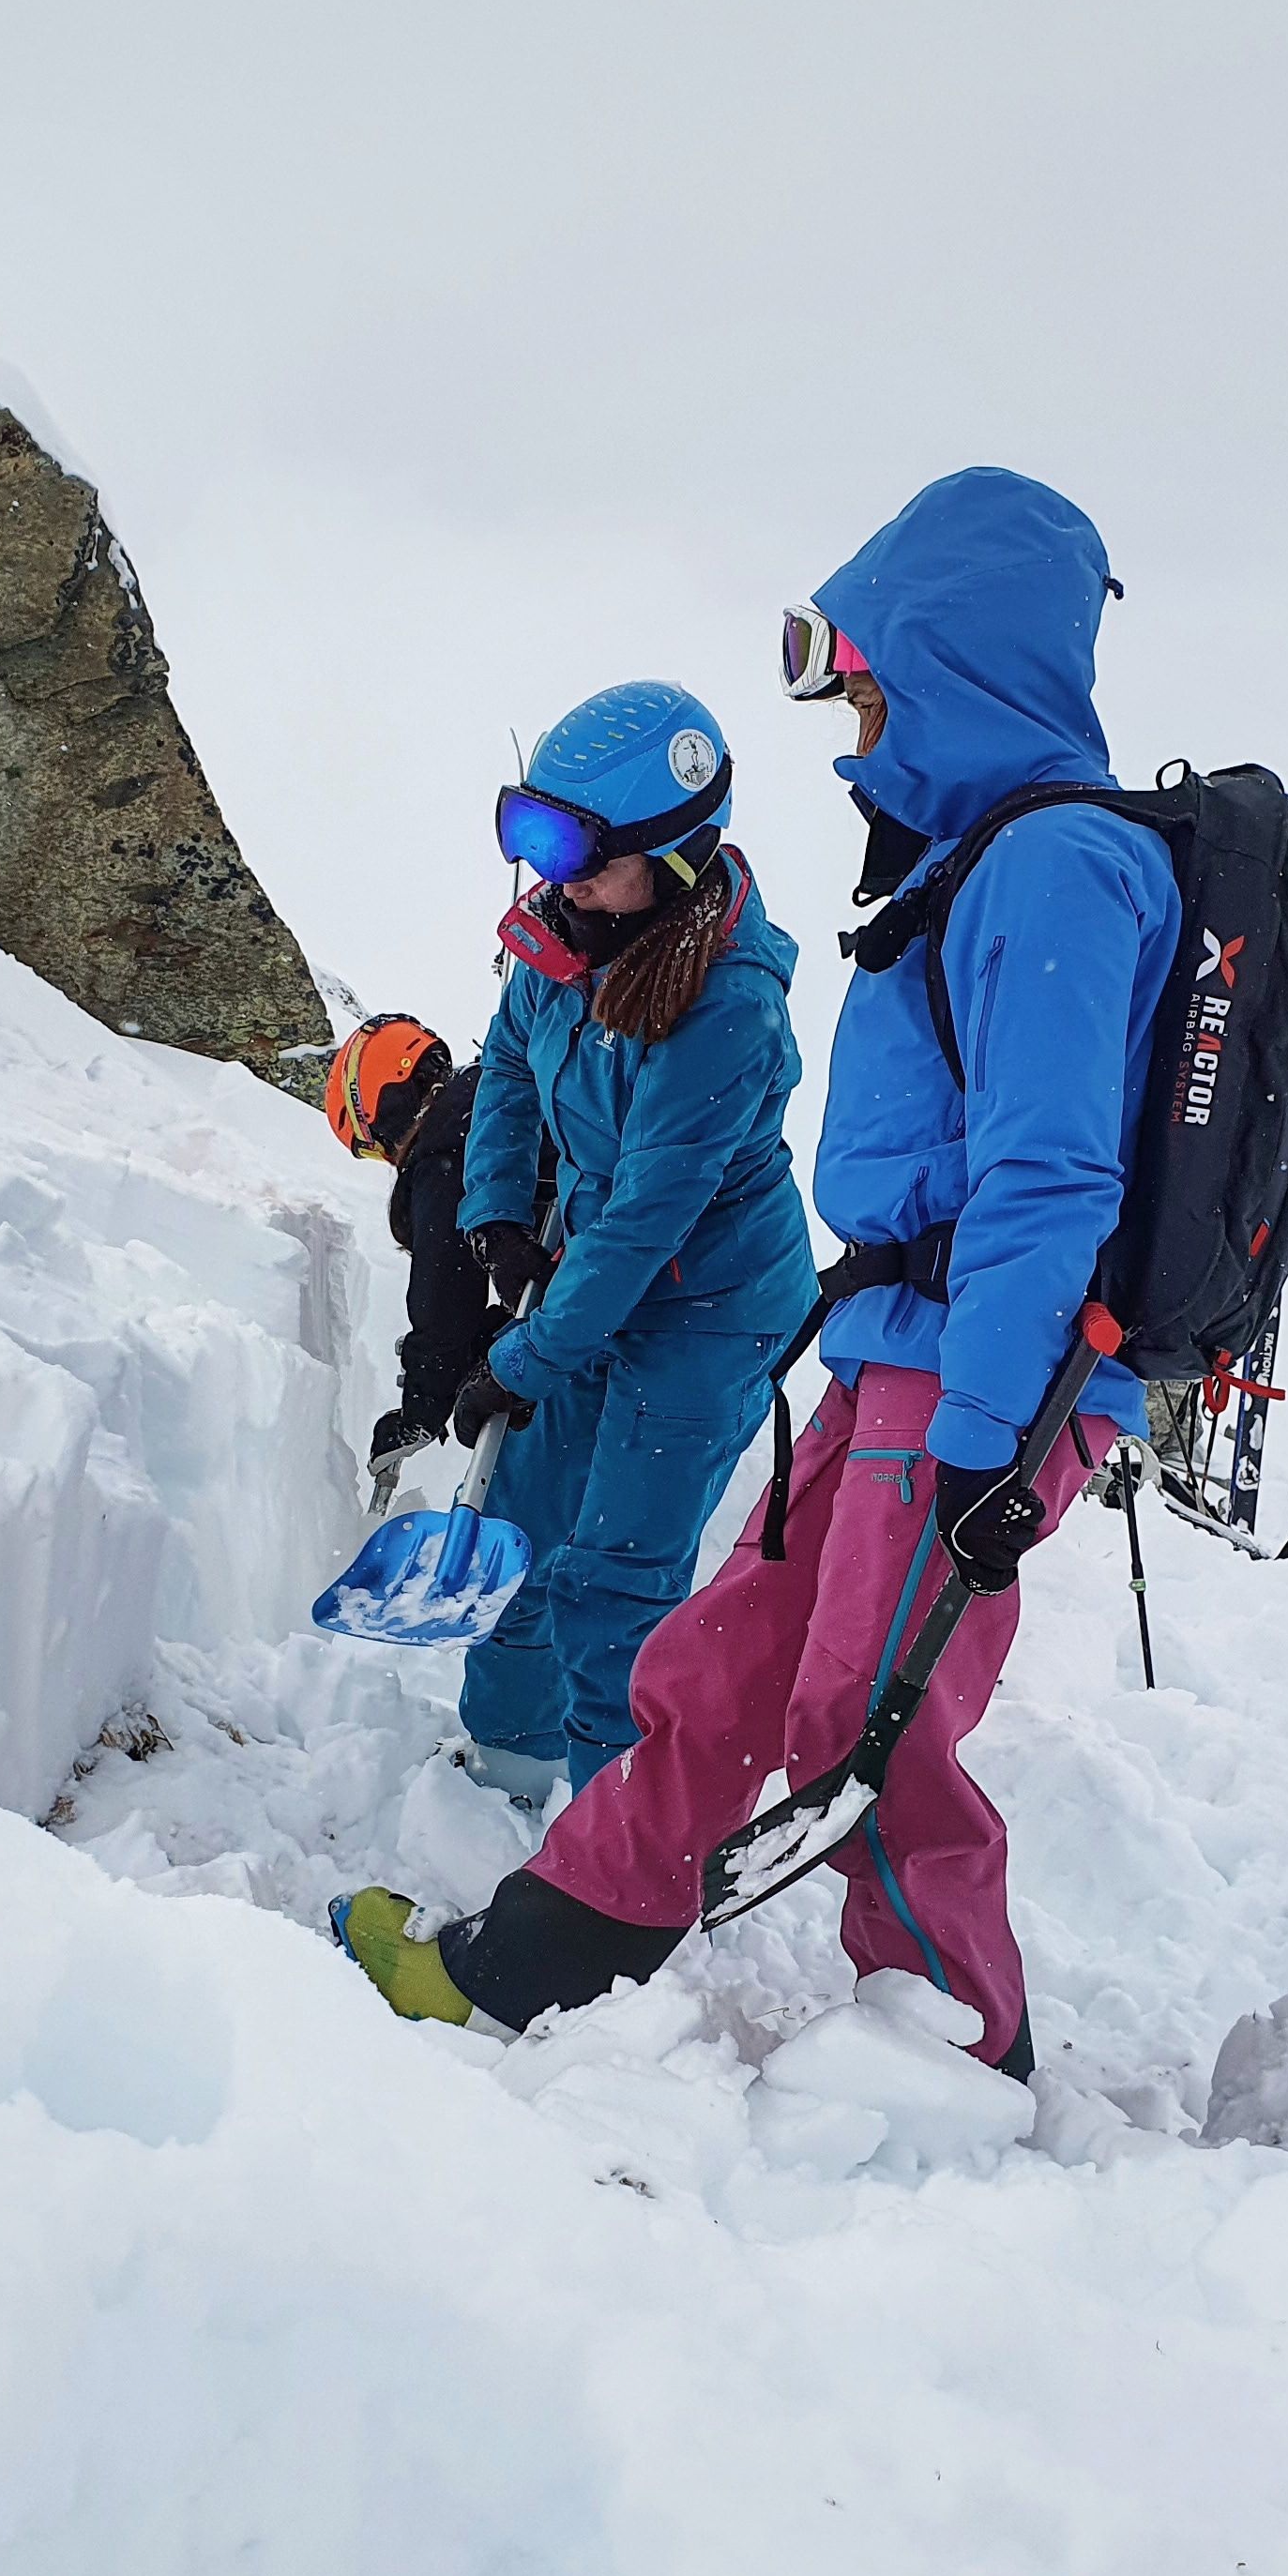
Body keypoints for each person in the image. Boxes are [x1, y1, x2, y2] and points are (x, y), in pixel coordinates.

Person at [334, 472, 1181, 2084]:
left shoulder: (1056, 863)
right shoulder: (972, 857)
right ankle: (541, 1954)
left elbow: (1048, 1175)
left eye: (860, 679)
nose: (848, 718)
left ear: (945, 662)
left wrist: (990, 1429)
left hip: (975, 1371)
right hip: (893, 1346)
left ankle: (949, 2051)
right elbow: (517, 1074)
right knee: (722, 1659)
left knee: (867, 1714)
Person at [393, 680, 816, 1811]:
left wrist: (517, 1364)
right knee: (521, 1534)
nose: (555, 877)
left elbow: (643, 1228)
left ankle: (605, 1831)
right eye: (537, 842)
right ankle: (505, 1767)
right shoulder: (562, 935)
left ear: (674, 861)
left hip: (707, 1311)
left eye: (583, 854)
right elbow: (514, 1071)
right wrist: (494, 1220)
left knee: (616, 1578)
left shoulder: (726, 1009)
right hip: (589, 1268)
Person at [324, 1014, 549, 1503]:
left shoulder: (447, 1135)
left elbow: (445, 1288)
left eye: (371, 1146)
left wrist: (419, 1413)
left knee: (533, 1487)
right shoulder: (493, 1089)